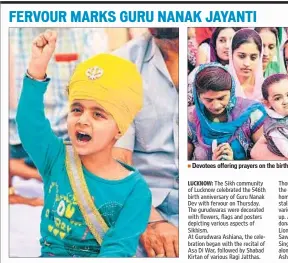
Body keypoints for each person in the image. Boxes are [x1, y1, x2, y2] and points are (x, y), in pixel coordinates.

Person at [16, 30, 151, 257]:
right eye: (77, 109)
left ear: (120, 129)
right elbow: (29, 123)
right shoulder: (56, 158)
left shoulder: (136, 192)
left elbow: (117, 251)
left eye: (98, 114)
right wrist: (37, 69)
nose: (83, 120)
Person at [9, 28, 108, 206]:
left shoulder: (89, 30)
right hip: (16, 142)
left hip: (70, 139)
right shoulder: (9, 30)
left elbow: (97, 101)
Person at [111, 28, 179, 257]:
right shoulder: (121, 65)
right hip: (144, 206)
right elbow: (116, 163)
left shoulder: (225, 54)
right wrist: (148, 222)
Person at [188, 63, 267, 160]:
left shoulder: (251, 114)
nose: (216, 106)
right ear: (198, 97)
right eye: (209, 100)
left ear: (231, 91)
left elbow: (266, 161)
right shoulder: (190, 119)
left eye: (221, 98)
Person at [188, 27, 239, 106]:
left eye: (232, 41)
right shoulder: (201, 71)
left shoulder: (244, 71)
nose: (227, 46)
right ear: (215, 44)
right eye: (222, 40)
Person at [228, 28, 265, 101]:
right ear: (231, 54)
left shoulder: (267, 88)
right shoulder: (222, 86)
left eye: (253, 57)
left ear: (260, 58)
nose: (247, 63)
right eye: (241, 56)